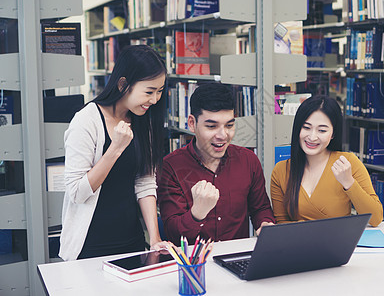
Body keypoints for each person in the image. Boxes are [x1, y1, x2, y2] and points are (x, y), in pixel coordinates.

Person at [59, 45, 170, 261]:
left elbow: (145, 182)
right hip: (90, 246)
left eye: (159, 91)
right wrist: (115, 148)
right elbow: (77, 192)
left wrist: (155, 239)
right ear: (123, 84)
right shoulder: (86, 121)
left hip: (132, 241)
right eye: (149, 92)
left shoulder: (141, 119)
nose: (155, 100)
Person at [157, 83, 275, 245]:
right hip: (193, 264)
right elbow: (173, 234)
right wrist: (197, 212)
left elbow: (260, 208)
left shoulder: (248, 160)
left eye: (229, 125)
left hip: (235, 258)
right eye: (211, 126)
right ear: (192, 123)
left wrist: (264, 224)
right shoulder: (171, 166)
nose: (223, 135)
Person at [270, 95, 383, 227]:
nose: (312, 137)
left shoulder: (348, 163)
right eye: (306, 127)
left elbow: (375, 218)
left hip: (339, 245)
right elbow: (282, 225)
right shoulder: (281, 170)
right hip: (298, 245)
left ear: (333, 134)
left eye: (322, 130)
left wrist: (349, 183)